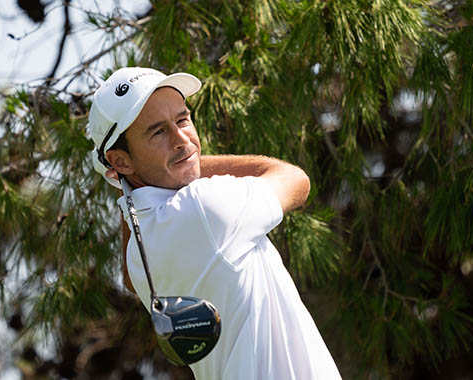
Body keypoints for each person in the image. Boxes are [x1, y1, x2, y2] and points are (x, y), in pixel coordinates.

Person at [87, 67, 342, 380]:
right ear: (121, 161)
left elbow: (129, 275)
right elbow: (295, 179)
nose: (182, 137)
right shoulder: (204, 207)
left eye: (182, 119)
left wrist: (141, 174)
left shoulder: (136, 259)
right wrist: (189, 158)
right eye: (158, 132)